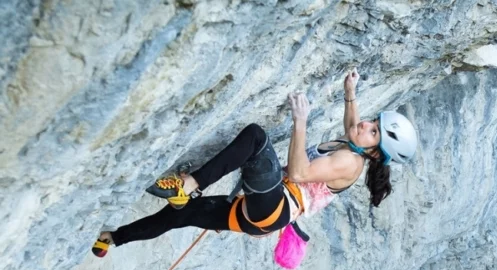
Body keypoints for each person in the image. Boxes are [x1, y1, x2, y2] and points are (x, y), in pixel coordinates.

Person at [91, 68, 418, 257]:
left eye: (373, 131)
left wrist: (299, 121)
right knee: (182, 215)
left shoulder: (350, 162)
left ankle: (188, 185)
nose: (364, 125)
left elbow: (302, 172)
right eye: (372, 121)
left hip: (275, 204)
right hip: (263, 214)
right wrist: (350, 93)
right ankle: (112, 239)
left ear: (375, 153)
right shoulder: (354, 148)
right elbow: (352, 127)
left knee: (255, 138)